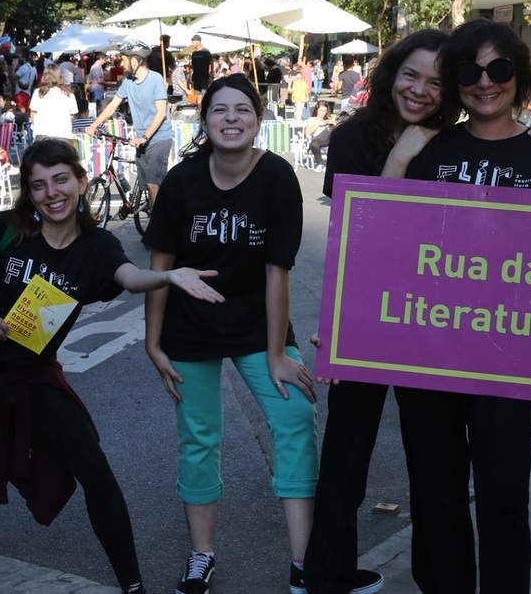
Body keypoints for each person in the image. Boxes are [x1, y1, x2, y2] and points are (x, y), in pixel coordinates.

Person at [0, 138, 223, 594]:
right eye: (38, 185)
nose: (51, 193)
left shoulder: (97, 247)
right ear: (28, 193)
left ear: (81, 182)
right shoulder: (8, 228)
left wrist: (168, 275)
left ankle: (132, 584)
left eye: (61, 180)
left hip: (33, 378)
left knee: (97, 473)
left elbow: (130, 278)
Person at [399, 18, 531, 594]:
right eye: (470, 70)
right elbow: (387, 247)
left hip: (512, 359)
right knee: (436, 493)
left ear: (520, 75)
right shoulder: (432, 150)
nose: (486, 82)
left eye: (500, 68)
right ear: (456, 79)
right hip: (428, 355)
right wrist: (352, 326)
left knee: (505, 491)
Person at [142, 74, 318, 594]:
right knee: (199, 437)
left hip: (256, 324)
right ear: (205, 121)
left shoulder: (277, 177)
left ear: (258, 120)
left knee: (295, 416)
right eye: (220, 110)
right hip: (189, 326)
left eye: (243, 109)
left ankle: (304, 563)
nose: (232, 119)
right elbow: (160, 265)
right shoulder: (181, 181)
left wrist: (277, 353)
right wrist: (153, 343)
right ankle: (202, 555)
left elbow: (276, 270)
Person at [303, 29, 457, 594]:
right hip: (366, 314)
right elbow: (363, 234)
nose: (420, 90)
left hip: (435, 321)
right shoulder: (352, 139)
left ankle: (437, 577)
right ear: (391, 73)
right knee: (345, 457)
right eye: (411, 75)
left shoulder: (456, 145)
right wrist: (400, 155)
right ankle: (327, 575)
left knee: (434, 462)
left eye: (437, 82)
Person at [86, 40, 172, 208]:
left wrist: (145, 137)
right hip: (141, 138)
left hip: (159, 137)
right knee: (147, 184)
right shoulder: (128, 82)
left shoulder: (156, 79)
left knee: (154, 183)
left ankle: (157, 230)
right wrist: (94, 124)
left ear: (135, 61)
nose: (122, 65)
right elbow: (112, 106)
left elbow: (161, 112)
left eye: (124, 60)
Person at [29, 62, 78, 143]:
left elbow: (33, 113)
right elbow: (72, 116)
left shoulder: (38, 93)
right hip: (64, 136)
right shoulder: (69, 94)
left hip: (42, 135)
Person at [303, 101, 335, 170]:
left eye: (325, 111)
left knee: (330, 130)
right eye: (321, 110)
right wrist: (319, 124)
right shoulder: (311, 119)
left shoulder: (329, 119)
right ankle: (320, 163)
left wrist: (334, 123)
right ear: (317, 110)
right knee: (313, 144)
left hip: (330, 138)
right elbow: (307, 133)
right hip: (318, 139)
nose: (323, 113)